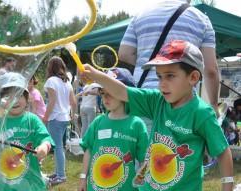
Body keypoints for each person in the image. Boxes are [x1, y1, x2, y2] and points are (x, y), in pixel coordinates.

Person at [82, 40, 233, 191]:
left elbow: (222, 151)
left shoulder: (201, 113)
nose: (162, 84)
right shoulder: (157, 101)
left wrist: (227, 185)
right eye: (159, 77)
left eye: (170, 76)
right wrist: (96, 75)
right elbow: (123, 92)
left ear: (193, 78)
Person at [119, 0, 220, 115]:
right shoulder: (202, 19)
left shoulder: (140, 15)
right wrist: (213, 104)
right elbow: (210, 70)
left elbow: (124, 54)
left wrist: (147, 65)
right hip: (183, 101)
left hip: (143, 97)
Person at [78, 68, 148, 191]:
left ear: (126, 92)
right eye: (103, 92)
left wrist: (143, 183)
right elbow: (88, 150)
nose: (106, 97)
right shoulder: (97, 122)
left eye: (111, 92)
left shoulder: (137, 125)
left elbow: (144, 160)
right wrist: (83, 177)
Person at [0, 72, 54, 190]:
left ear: (27, 98)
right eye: (8, 97)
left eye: (19, 96)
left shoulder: (31, 120)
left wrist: (44, 147)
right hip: (3, 185)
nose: (15, 101)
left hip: (29, 184)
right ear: (1, 101)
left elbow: (45, 138)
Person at [43, 56, 77, 185]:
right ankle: (58, 173)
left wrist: (45, 117)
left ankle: (61, 176)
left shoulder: (51, 81)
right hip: (65, 118)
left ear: (50, 67)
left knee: (58, 148)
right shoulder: (67, 82)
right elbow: (73, 102)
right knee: (60, 147)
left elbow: (52, 102)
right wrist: (73, 115)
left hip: (55, 118)